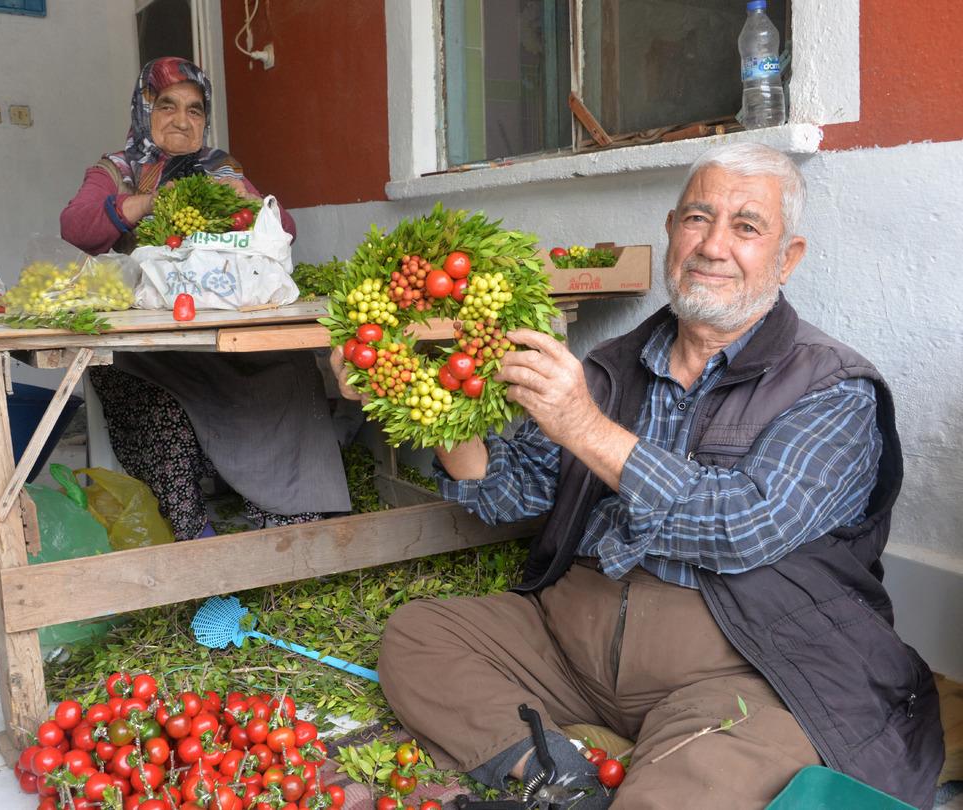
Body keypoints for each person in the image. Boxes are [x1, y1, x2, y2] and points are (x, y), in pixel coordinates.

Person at [335, 144, 943, 808]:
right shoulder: (611, 366)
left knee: (700, 780)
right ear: (670, 231)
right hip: (574, 639)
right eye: (696, 218)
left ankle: (637, 779)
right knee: (418, 639)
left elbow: (738, 525)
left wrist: (583, 425)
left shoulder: (831, 388)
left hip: (744, 662)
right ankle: (565, 777)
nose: (712, 245)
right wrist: (427, 401)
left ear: (786, 258)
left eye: (746, 226)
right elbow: (510, 491)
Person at [61, 57, 351, 538]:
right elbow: (77, 227)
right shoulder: (117, 171)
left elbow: (284, 233)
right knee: (161, 409)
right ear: (143, 109)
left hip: (223, 337)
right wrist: (154, 200)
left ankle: (293, 523)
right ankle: (193, 540)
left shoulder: (221, 167)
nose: (182, 119)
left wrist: (249, 200)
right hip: (152, 350)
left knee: (289, 371)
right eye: (167, 105)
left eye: (195, 110)